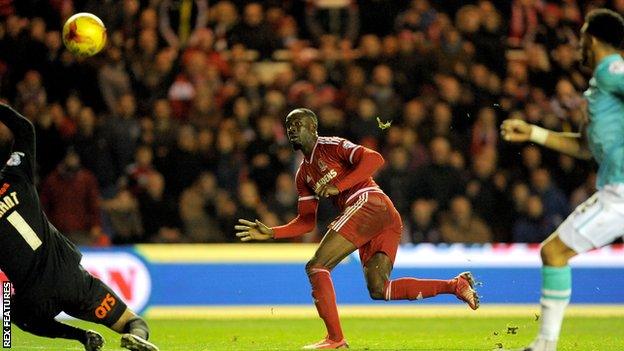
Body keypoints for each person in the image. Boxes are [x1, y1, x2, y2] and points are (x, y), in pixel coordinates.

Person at [235, 108, 479, 349]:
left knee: (317, 266)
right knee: (380, 289)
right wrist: (273, 232)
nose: (292, 131)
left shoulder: (331, 145)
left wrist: (339, 186)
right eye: (289, 127)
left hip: (369, 202)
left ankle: (335, 340)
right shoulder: (303, 175)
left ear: (313, 127)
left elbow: (375, 159)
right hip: (381, 217)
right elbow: (307, 221)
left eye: (298, 125)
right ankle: (454, 285)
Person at [500, 9, 624, 351]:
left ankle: (545, 345)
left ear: (593, 40)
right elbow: (585, 148)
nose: (578, 44)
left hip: (621, 194)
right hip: (613, 189)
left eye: (582, 37)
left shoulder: (613, 70)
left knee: (554, 252)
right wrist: (535, 133)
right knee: (553, 251)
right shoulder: (599, 87)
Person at [0, 103, 158, 351]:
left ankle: (82, 337)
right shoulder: (16, 177)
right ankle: (135, 335)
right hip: (71, 278)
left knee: (18, 316)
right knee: (132, 320)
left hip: (33, 297)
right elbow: (24, 129)